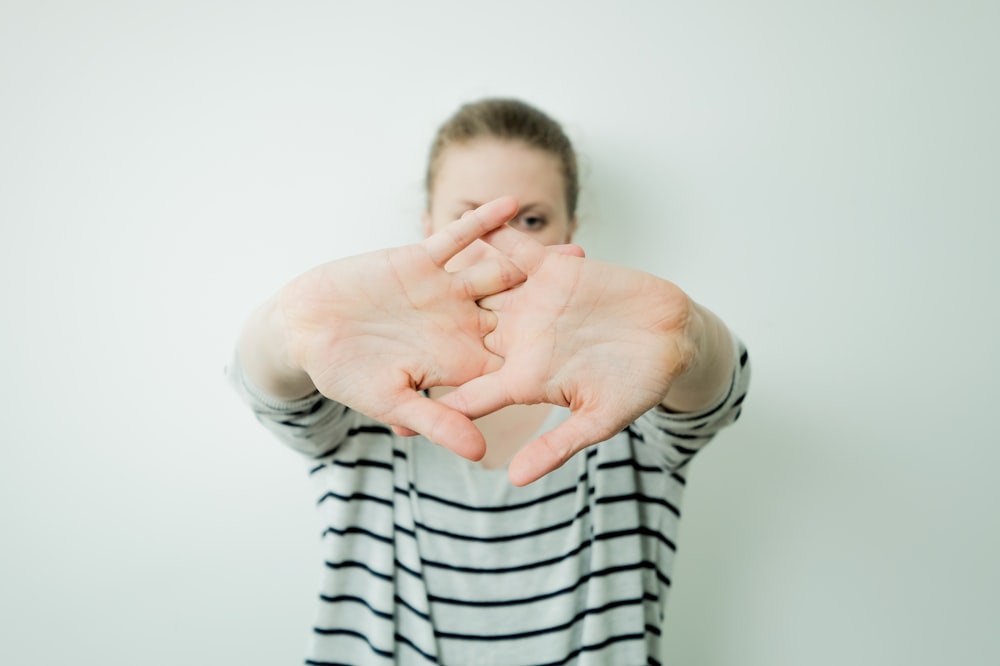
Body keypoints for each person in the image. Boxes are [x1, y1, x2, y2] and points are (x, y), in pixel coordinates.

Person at [229, 98, 750, 665]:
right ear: (428, 224)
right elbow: (268, 385)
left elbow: (715, 390)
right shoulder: (363, 389)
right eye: (468, 218)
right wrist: (290, 327)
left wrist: (687, 336)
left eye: (530, 221)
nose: (496, 244)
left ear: (570, 229)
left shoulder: (626, 393)